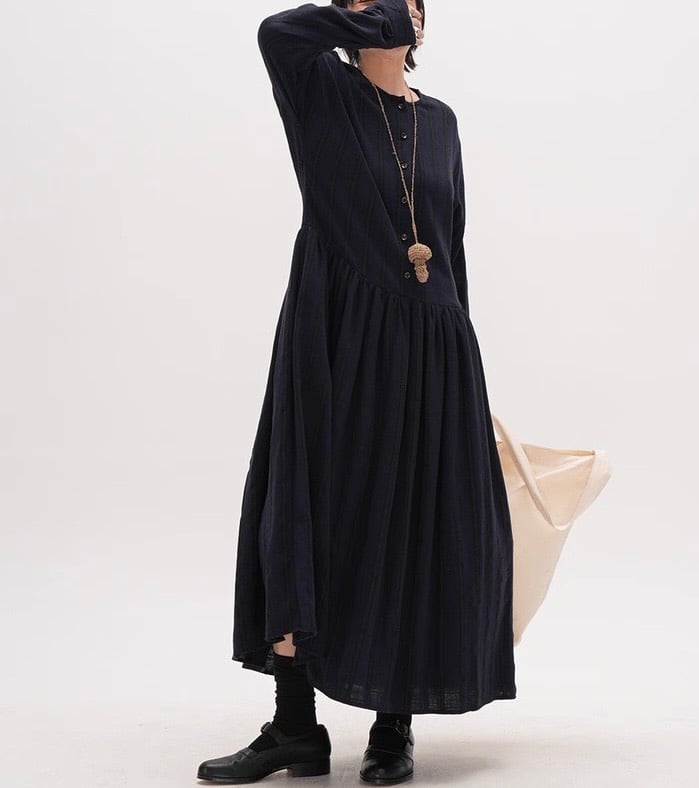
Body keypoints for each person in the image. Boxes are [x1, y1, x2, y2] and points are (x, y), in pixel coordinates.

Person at [197, 0, 516, 783]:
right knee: (304, 509)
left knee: (409, 520)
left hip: (432, 342)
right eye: (357, 1)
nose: (374, 11)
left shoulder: (441, 122)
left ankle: (393, 729)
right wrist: (370, 23)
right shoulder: (320, 90)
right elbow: (278, 31)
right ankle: (294, 728)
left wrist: (463, 369)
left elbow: (451, 243)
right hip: (334, 332)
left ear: (423, 22)